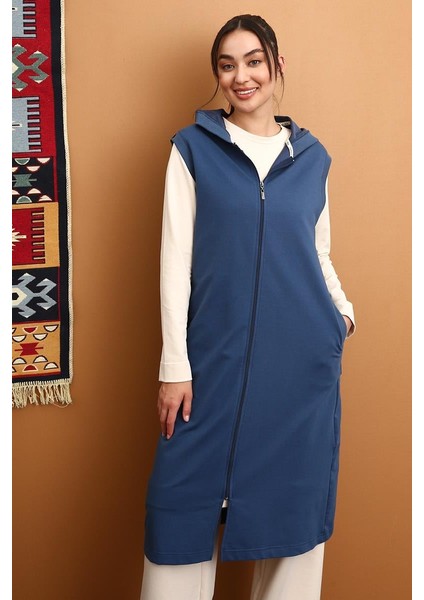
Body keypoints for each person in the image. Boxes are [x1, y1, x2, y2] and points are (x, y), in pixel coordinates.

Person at [140, 14, 355, 600]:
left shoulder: (312, 158)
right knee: (179, 522)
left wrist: (341, 315)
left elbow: (318, 250)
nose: (242, 76)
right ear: (217, 75)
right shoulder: (192, 150)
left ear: (277, 65)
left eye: (254, 61)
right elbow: (175, 261)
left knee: (293, 530)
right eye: (228, 65)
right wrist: (175, 365)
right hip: (209, 367)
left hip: (298, 371)